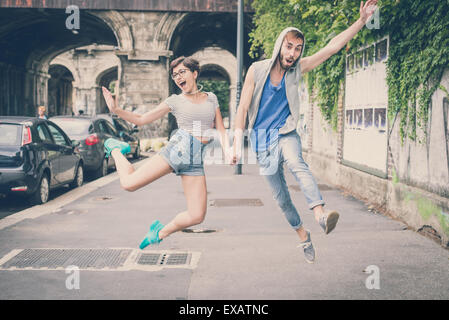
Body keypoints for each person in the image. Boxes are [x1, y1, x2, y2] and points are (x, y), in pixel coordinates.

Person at [231, 0, 378, 263]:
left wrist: (361, 21)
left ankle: (321, 214)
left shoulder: (298, 70)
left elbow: (331, 48)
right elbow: (242, 108)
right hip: (262, 142)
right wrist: (234, 144)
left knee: (298, 164)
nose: (293, 53)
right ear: (280, 45)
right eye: (289, 47)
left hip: (286, 133)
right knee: (282, 199)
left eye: (298, 49)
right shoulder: (257, 70)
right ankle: (303, 234)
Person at [102, 56, 231, 249]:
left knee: (197, 215)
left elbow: (221, 128)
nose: (178, 77)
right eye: (175, 75)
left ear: (194, 73)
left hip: (195, 159)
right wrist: (116, 109)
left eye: (182, 72)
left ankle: (160, 232)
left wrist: (229, 151)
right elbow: (141, 119)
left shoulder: (211, 98)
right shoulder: (175, 101)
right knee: (128, 184)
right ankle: (115, 148)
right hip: (178, 150)